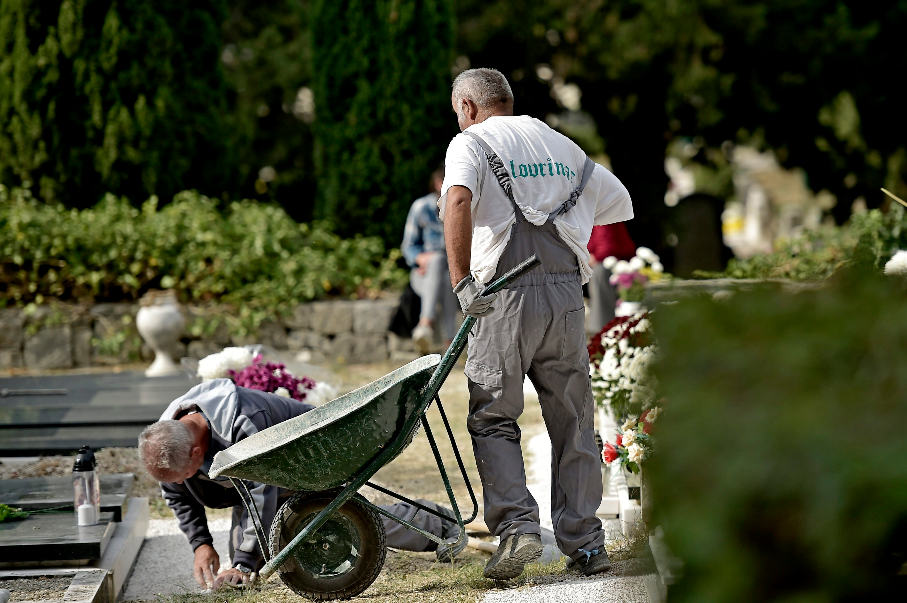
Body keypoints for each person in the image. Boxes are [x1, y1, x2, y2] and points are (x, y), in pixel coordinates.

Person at [440, 68, 633, 579]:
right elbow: (616, 201)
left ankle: (519, 530)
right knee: (572, 418)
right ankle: (587, 544)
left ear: (466, 106)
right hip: (567, 294)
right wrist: (562, 215)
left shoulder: (470, 143)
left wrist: (462, 281)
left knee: (493, 416)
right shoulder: (559, 143)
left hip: (503, 296)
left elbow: (457, 200)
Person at [138, 379, 465, 590]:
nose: (181, 484)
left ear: (197, 452)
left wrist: (242, 563)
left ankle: (435, 523)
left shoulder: (243, 422)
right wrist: (200, 544)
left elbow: (261, 493)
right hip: (261, 482)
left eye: (184, 475)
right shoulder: (172, 432)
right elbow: (177, 493)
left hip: (308, 460)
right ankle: (430, 521)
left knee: (331, 524)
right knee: (257, 556)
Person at [401, 166, 459, 353]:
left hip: (452, 275)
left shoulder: (463, 208)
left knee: (445, 273)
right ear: (437, 183)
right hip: (423, 275)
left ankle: (425, 326)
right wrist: (420, 257)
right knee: (435, 262)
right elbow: (408, 246)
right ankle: (450, 342)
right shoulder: (421, 207)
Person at [586, 223, 636, 334]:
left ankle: (601, 332)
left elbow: (606, 249)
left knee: (599, 271)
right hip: (606, 263)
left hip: (620, 267)